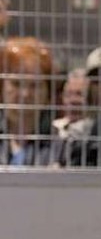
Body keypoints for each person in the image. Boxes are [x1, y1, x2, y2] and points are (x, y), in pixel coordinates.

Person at [0, 37, 61, 166]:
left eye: (34, 85)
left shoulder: (63, 146)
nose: (25, 94)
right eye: (16, 84)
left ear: (48, 92)